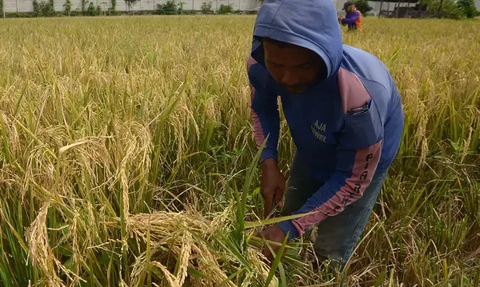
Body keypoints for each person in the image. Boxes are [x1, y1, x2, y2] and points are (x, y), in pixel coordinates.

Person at [247, 0, 404, 270]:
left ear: (326, 53)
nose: (289, 78)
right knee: (291, 208)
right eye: (277, 65)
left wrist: (291, 227)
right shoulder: (260, 63)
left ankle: (324, 272)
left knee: (331, 247)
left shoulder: (359, 95)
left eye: (303, 67)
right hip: (312, 142)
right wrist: (269, 163)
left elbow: (352, 178)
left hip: (362, 159)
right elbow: (262, 108)